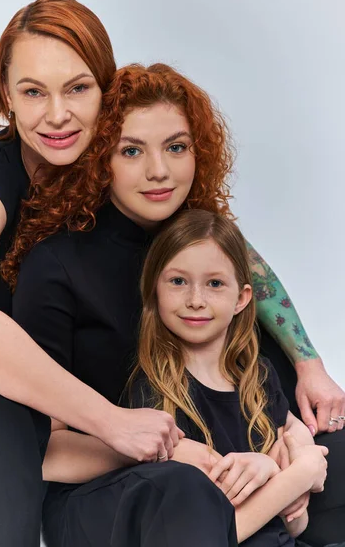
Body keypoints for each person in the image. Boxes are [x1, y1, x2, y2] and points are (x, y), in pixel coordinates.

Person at [6, 63, 344, 545]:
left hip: (237, 463)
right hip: (116, 490)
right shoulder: (56, 267)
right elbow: (43, 451)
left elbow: (257, 350)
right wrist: (163, 452)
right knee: (184, 490)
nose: (158, 171)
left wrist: (293, 436)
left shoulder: (201, 236)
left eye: (176, 147)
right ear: (101, 158)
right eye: (131, 150)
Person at [0, 0, 182, 547]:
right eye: (33, 92)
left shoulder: (119, 158)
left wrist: (307, 360)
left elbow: (211, 238)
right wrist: (112, 423)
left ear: (106, 86)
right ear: (7, 95)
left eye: (77, 88)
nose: (56, 115)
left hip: (93, 393)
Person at [127, 207, 330, 545]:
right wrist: (299, 472)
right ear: (154, 289)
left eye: (215, 284)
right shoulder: (154, 397)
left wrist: (291, 462)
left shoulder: (258, 378)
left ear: (242, 298)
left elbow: (296, 525)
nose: (195, 300)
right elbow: (214, 534)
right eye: (178, 281)